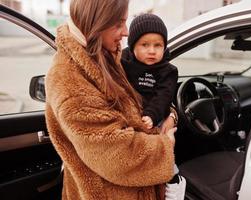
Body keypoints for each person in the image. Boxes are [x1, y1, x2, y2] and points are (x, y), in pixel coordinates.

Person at [44, 0, 178, 199]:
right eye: (119, 24)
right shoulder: (69, 80)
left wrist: (170, 115)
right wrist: (165, 143)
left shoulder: (105, 57)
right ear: (97, 22)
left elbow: (144, 99)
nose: (125, 32)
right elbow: (117, 156)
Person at [121, 13, 186, 200]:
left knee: (163, 156)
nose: (152, 51)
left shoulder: (167, 70)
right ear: (132, 46)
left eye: (158, 45)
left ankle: (174, 182)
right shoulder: (123, 63)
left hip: (155, 119)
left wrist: (151, 114)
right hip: (130, 122)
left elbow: (164, 96)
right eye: (145, 45)